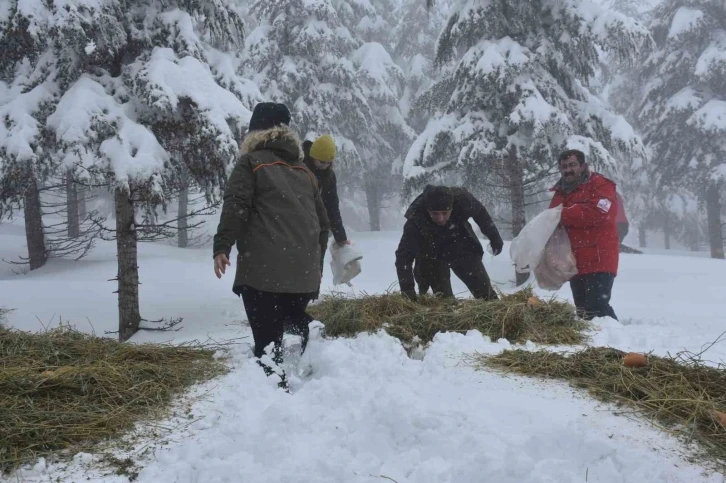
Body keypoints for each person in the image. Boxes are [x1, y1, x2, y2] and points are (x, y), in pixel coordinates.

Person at [213, 102, 330, 390]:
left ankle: (274, 398)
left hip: (263, 273)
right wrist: (314, 269)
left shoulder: (251, 163)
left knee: (267, 345)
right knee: (289, 323)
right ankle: (306, 336)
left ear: (255, 131)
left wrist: (222, 246)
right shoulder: (305, 171)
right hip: (302, 273)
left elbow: (236, 206)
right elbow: (323, 226)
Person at [395, 185, 504, 301]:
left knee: (485, 292)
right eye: (435, 214)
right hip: (430, 253)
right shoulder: (416, 218)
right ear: (428, 210)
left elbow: (481, 214)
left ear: (452, 208)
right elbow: (403, 257)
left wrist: (494, 237)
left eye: (444, 213)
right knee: (443, 303)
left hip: (460, 242)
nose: (440, 219)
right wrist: (407, 291)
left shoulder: (462, 200)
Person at [549, 149, 619, 321]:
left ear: (583, 165)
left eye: (572, 165)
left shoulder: (600, 184)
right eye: (564, 166)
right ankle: (597, 345)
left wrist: (562, 215)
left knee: (597, 311)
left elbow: (598, 212)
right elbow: (551, 218)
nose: (568, 170)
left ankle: (618, 342)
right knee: (583, 313)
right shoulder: (560, 191)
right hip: (575, 262)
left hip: (599, 258)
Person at [302, 135, 350, 275]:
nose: (325, 166)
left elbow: (332, 207)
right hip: (299, 224)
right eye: (321, 162)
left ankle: (314, 287)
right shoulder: (299, 169)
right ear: (313, 157)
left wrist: (341, 237)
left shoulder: (329, 176)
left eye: (328, 162)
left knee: (316, 266)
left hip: (319, 227)